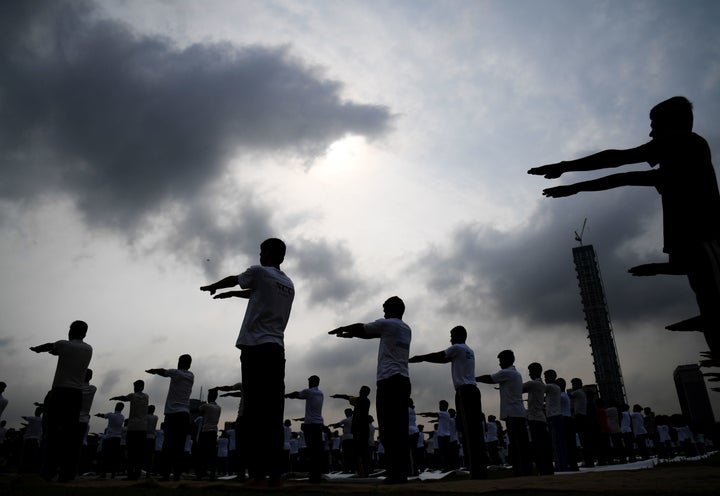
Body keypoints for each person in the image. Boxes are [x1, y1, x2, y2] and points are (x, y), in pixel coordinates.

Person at [528, 96, 720, 359]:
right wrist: (658, 268)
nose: (651, 132)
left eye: (654, 125)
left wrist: (569, 171)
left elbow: (620, 162)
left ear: (673, 123)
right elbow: (624, 172)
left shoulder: (685, 143)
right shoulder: (676, 170)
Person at [201, 238, 294, 487]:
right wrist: (233, 294)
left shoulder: (258, 271)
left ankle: (256, 474)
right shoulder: (287, 283)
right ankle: (274, 473)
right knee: (273, 412)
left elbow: (235, 278)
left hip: (255, 348)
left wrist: (215, 286)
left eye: (261, 251)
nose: (259, 255)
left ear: (265, 254)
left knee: (253, 411)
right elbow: (257, 294)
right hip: (276, 349)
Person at [329, 296, 412, 484]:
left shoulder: (388, 324)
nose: (383, 312)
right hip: (403, 380)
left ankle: (393, 474)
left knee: (389, 428)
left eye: (384, 309)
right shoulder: (405, 328)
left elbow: (363, 327)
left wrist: (344, 328)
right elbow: (369, 333)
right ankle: (400, 473)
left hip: (388, 381)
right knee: (399, 428)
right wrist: (352, 335)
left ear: (391, 310)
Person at [410, 325, 488, 478]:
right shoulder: (469, 350)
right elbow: (444, 360)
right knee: (474, 431)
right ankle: (479, 467)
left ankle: (476, 470)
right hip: (473, 390)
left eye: (452, 335)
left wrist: (420, 358)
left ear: (459, 336)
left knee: (468, 431)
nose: (450, 339)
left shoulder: (457, 348)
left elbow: (439, 356)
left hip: (465, 391)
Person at [30, 320, 92, 482]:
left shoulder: (64, 344)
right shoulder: (88, 348)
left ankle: (49, 471)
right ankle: (67, 473)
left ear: (71, 331)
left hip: (60, 391)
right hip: (76, 395)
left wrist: (37, 349)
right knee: (70, 435)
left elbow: (49, 346)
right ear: (84, 333)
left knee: (52, 431)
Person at [476, 350, 532, 476]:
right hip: (517, 413)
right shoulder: (515, 374)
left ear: (507, 360)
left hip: (513, 413)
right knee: (521, 444)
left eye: (501, 360)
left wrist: (473, 379)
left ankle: (521, 470)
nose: (500, 364)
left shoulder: (507, 373)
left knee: (517, 444)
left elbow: (490, 378)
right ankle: (524, 469)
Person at [146, 354, 194, 481]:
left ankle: (166, 474)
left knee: (168, 445)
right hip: (184, 414)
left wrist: (154, 371)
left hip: (173, 414)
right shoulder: (191, 376)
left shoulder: (176, 373)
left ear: (181, 363)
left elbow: (163, 371)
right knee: (179, 446)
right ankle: (177, 474)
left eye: (179, 361)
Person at [286, 375, 324, 482]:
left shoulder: (309, 392)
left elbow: (296, 394)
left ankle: (313, 476)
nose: (308, 383)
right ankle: (317, 475)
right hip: (318, 424)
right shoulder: (320, 393)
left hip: (311, 425)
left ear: (312, 382)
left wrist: (287, 395)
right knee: (316, 451)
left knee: (312, 451)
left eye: (309, 381)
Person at [110, 380, 149, 480]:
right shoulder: (146, 397)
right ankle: (138, 473)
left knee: (131, 451)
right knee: (140, 452)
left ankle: (131, 474)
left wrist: (116, 398)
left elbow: (124, 398)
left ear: (136, 387)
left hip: (133, 428)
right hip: (143, 428)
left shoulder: (133, 396)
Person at [331, 385, 372, 477]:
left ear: (363, 392)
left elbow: (347, 396)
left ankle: (362, 472)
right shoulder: (365, 401)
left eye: (361, 390)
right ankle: (365, 471)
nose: (359, 391)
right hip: (363, 428)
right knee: (364, 450)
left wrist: (338, 396)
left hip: (359, 429)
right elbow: (348, 397)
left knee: (358, 451)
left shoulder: (359, 400)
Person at [522, 362, 554, 475]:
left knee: (538, 446)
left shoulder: (534, 384)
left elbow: (518, 388)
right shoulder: (540, 384)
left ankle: (543, 469)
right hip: (540, 418)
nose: (529, 373)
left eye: (530, 371)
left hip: (535, 419)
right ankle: (546, 469)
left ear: (535, 371)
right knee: (543, 446)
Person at [543, 369, 568, 471]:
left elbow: (537, 387)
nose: (545, 379)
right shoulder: (555, 388)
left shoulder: (551, 387)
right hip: (555, 417)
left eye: (546, 377)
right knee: (558, 443)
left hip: (553, 417)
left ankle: (560, 466)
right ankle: (562, 465)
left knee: (556, 443)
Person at [196, 389, 222, 480]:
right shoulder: (219, 407)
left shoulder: (206, 406)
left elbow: (198, 411)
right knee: (211, 454)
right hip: (214, 431)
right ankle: (212, 474)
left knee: (201, 453)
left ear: (209, 396)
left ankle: (200, 474)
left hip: (205, 431)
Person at [95, 403, 125, 478]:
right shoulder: (122, 417)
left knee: (106, 456)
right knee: (114, 456)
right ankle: (113, 474)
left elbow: (103, 415)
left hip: (109, 438)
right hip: (117, 439)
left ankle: (103, 473)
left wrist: (98, 414)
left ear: (115, 407)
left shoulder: (111, 415)